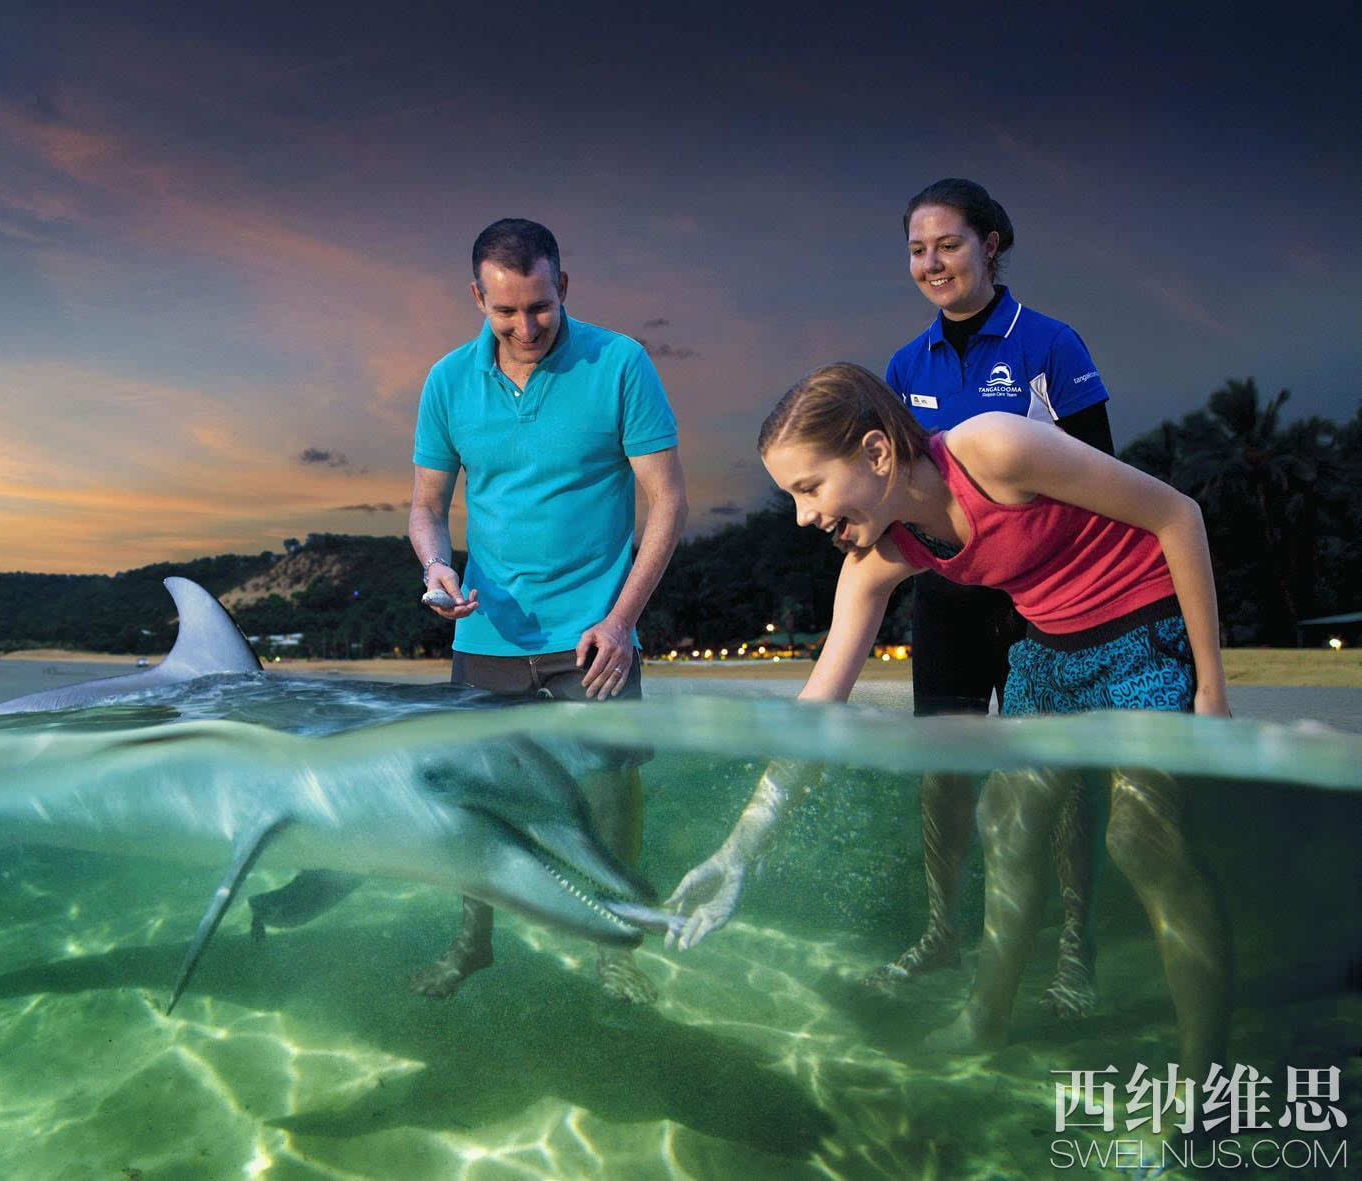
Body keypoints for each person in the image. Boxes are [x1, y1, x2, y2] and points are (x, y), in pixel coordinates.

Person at [665, 363, 1230, 1083]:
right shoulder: (880, 555)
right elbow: (815, 710)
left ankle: (1209, 1088)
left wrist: (1209, 684)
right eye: (792, 497)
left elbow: (1177, 514)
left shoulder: (992, 447)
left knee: (1141, 841)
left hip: (1141, 629)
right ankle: (982, 1022)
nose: (803, 516)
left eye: (808, 487)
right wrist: (737, 851)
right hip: (1047, 651)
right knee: (1006, 822)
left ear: (875, 453)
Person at [409, 218, 688, 1003]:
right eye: (505, 311)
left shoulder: (620, 362)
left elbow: (665, 502)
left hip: (594, 636)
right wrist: (435, 564)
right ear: (477, 299)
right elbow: (426, 507)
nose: (525, 326)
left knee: (608, 796)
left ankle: (616, 944)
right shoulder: (445, 382)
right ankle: (472, 939)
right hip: (486, 632)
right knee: (475, 800)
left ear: (562, 287)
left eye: (539, 306)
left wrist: (623, 619)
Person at [877, 178, 1119, 1016]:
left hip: (1045, 604)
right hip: (947, 603)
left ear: (990, 244)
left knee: (1053, 780)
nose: (931, 262)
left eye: (947, 243)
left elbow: (1103, 483)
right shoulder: (904, 367)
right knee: (942, 774)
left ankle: (1072, 952)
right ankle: (944, 931)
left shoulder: (1049, 343)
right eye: (916, 249)